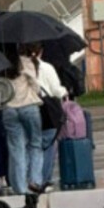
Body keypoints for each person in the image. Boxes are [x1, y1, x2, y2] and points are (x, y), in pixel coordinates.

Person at [2, 44, 45, 194]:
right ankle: (34, 182)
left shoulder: (0, 66)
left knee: (16, 149)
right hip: (29, 107)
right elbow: (35, 86)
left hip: (9, 110)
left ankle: (20, 188)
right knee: (35, 145)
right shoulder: (25, 62)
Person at [30, 43, 68, 190]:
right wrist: (64, 92)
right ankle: (43, 180)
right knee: (48, 147)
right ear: (41, 52)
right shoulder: (46, 68)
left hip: (27, 108)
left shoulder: (19, 68)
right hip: (46, 112)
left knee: (30, 146)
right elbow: (56, 90)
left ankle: (29, 180)